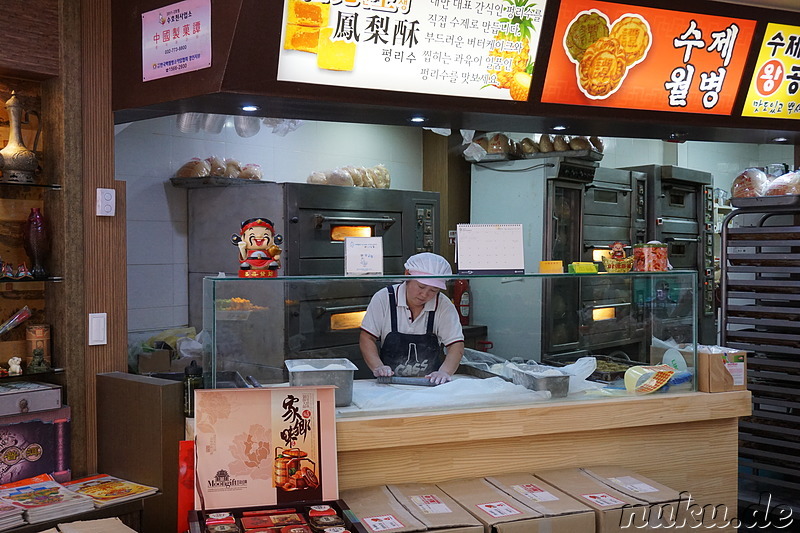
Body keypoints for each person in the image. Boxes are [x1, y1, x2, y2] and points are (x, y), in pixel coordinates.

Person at [359, 252, 464, 385]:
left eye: (434, 290)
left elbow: (456, 344)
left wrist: (445, 372)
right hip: (388, 385)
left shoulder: (443, 305)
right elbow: (367, 337)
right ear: (407, 275)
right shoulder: (384, 298)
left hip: (429, 385)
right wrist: (378, 366)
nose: (425, 294)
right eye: (421, 286)